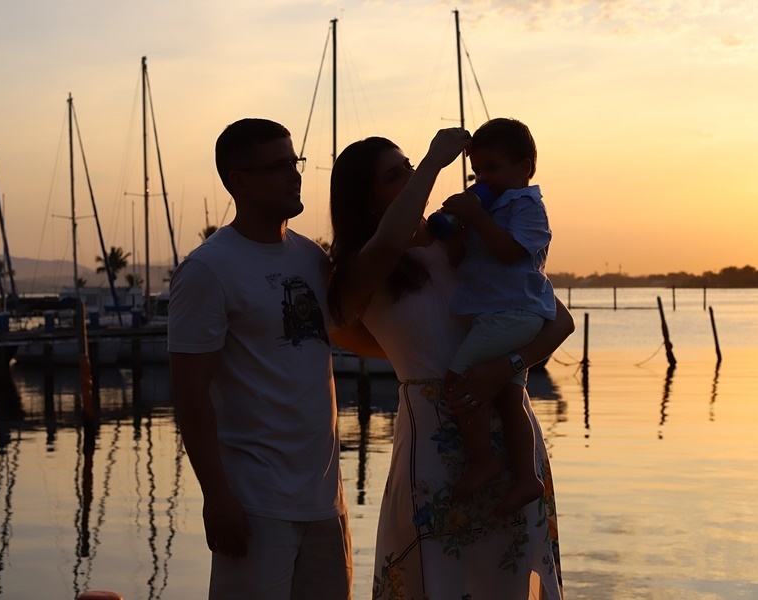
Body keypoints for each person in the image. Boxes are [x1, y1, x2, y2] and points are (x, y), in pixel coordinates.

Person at [328, 131, 572, 599]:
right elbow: (342, 328)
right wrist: (433, 162)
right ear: (366, 200)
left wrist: (505, 367)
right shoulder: (366, 265)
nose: (413, 177)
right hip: (435, 448)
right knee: (436, 575)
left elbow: (558, 323)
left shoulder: (466, 250)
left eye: (410, 168)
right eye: (395, 175)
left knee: (510, 577)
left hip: (511, 439)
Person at [168, 118, 351, 599]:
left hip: (325, 502)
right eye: (278, 166)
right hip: (255, 505)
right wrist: (217, 497)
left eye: (294, 162)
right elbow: (190, 397)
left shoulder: (312, 258)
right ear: (239, 181)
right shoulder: (208, 269)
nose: (295, 175)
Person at [435, 117, 556, 512]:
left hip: (513, 315)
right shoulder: (487, 209)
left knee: (457, 383)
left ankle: (483, 461)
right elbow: (457, 262)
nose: (482, 178)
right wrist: (458, 227)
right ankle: (526, 478)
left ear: (525, 168)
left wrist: (481, 217)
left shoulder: (527, 207)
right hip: (495, 316)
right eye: (477, 171)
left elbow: (509, 252)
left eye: (493, 169)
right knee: (509, 397)